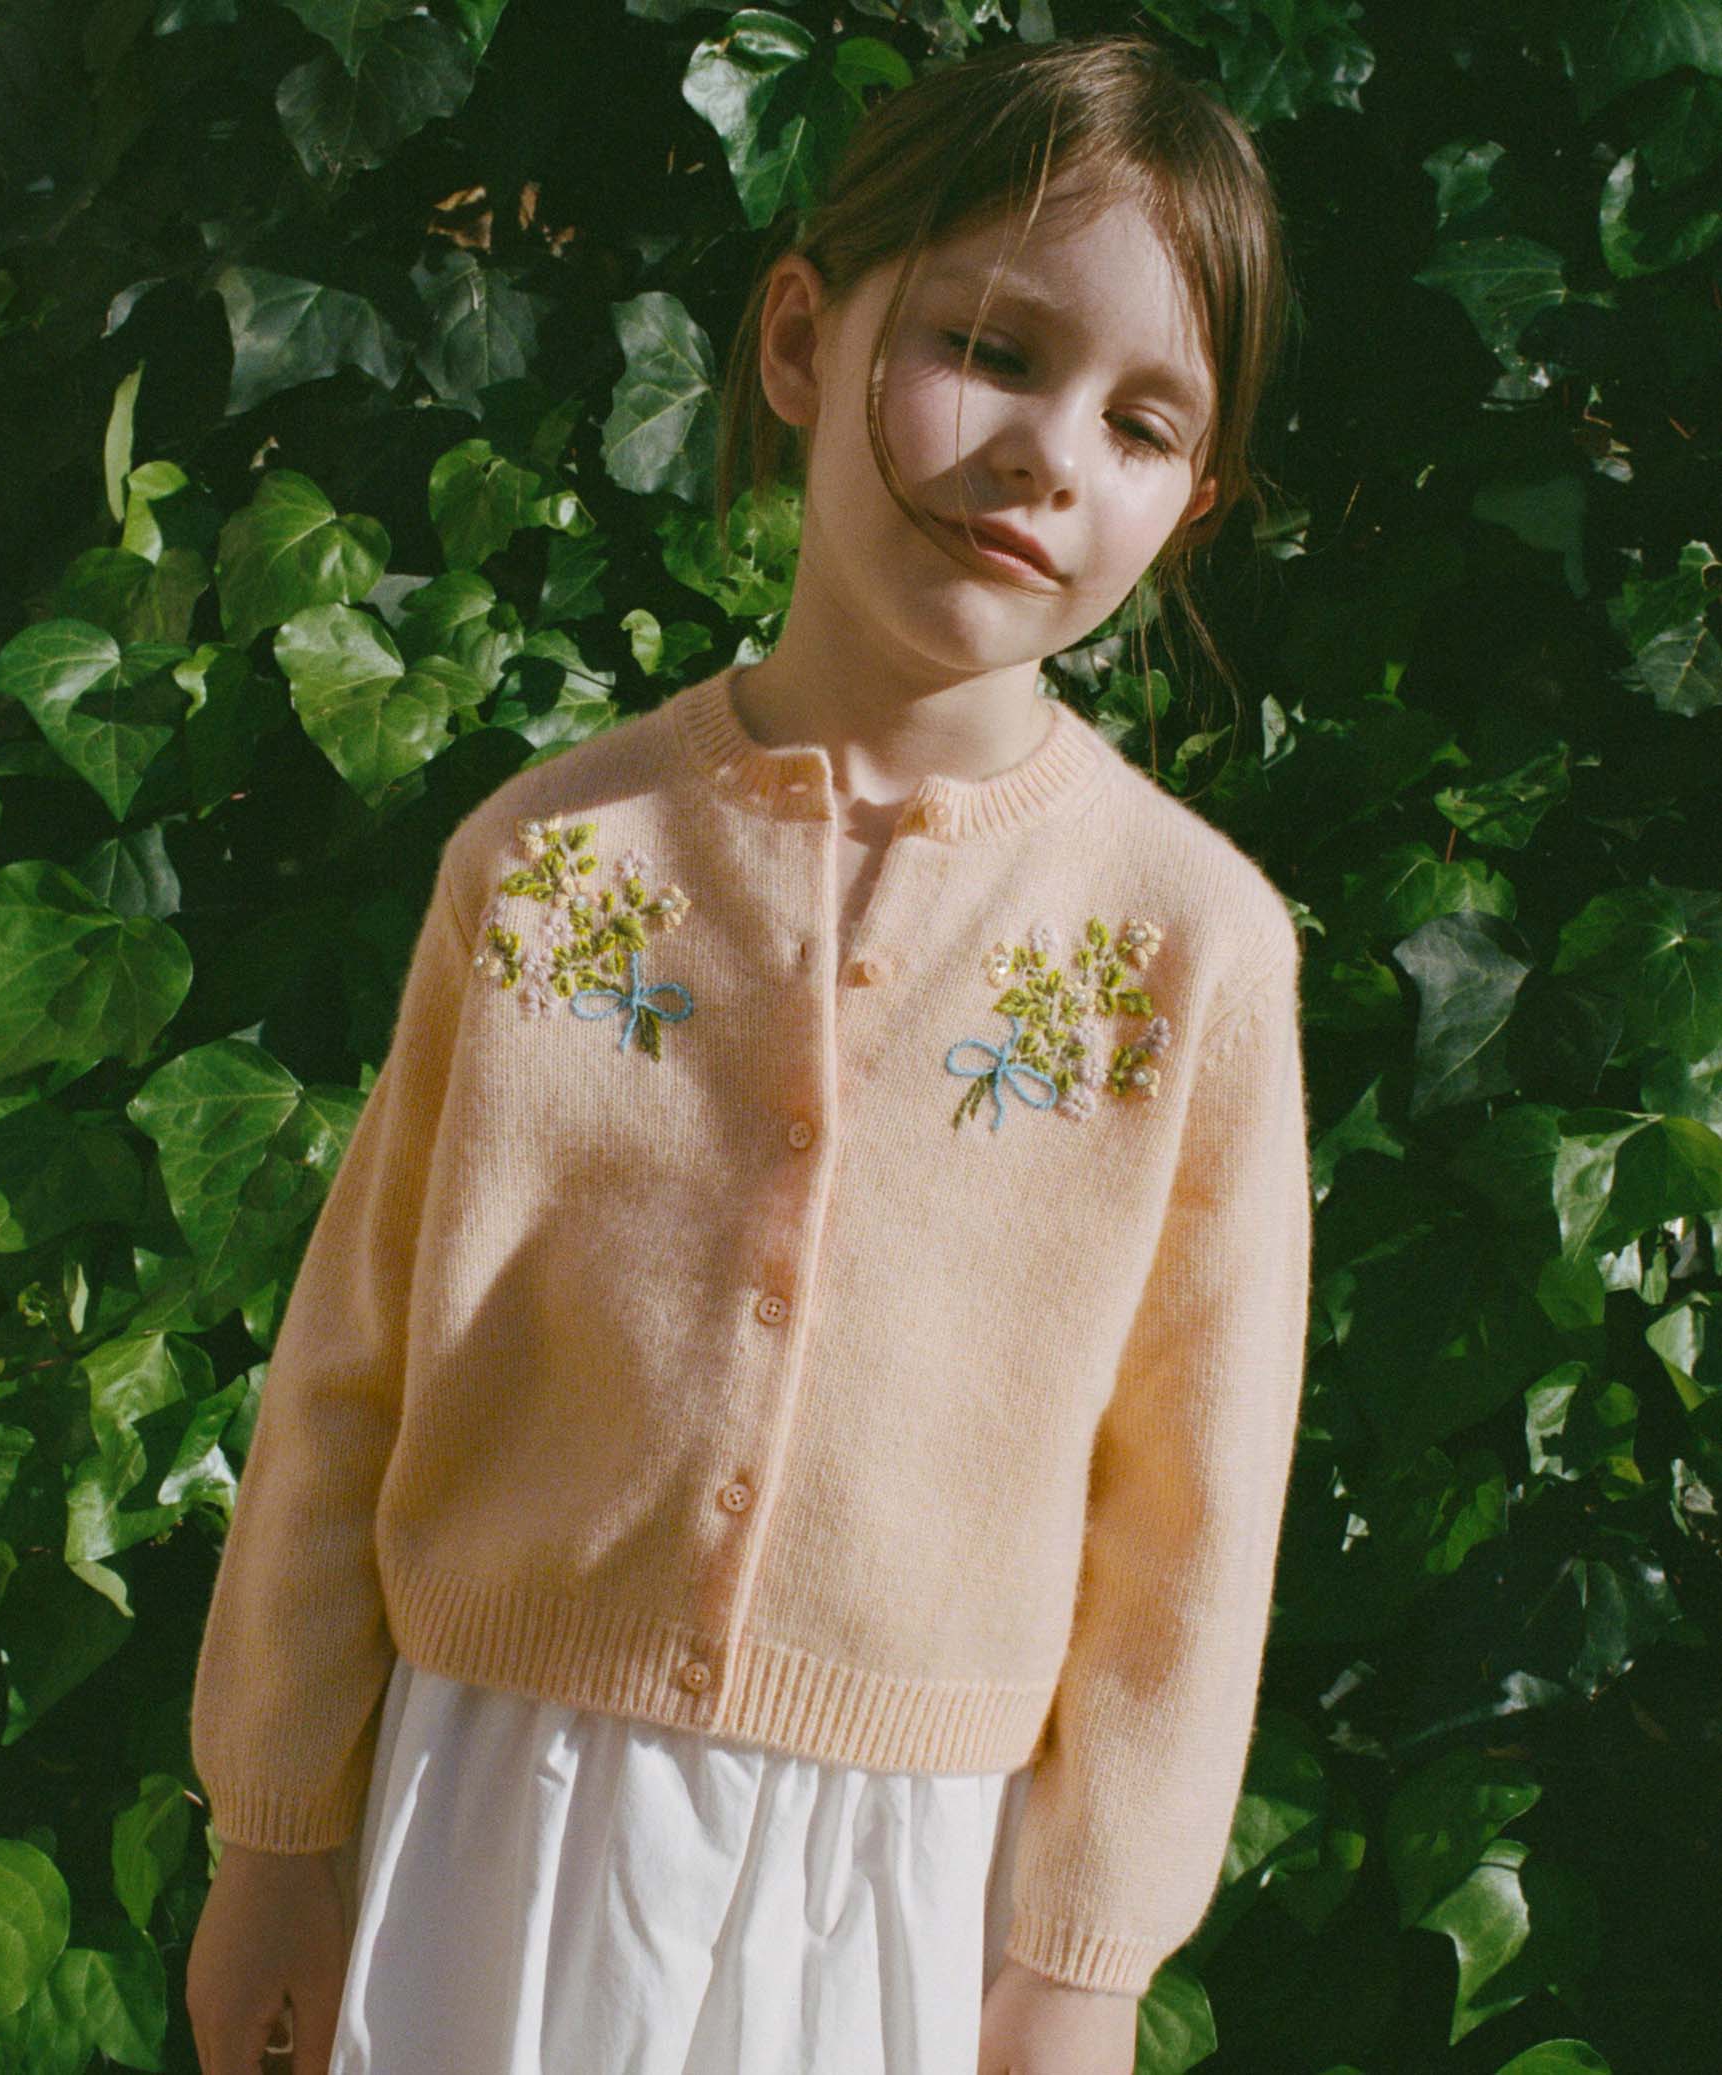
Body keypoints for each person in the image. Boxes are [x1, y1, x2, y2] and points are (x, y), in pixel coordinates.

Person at [185, 29, 1309, 2075]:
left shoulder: (1186, 948)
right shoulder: (552, 864)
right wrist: (274, 1823)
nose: (1053, 453)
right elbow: (350, 1371)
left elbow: (1194, 1517)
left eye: (1144, 422)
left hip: (904, 1878)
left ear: (1196, 500)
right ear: (801, 338)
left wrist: (1088, 1955)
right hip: (499, 1820)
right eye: (989, 346)